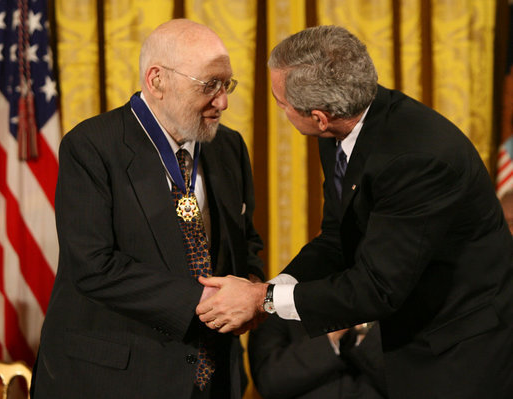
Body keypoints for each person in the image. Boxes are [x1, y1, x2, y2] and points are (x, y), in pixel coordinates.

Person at [196, 25, 513, 398]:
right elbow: (337, 238)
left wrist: (262, 300)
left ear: (318, 117)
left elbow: (377, 287)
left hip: (460, 352)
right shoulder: (343, 129)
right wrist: (270, 291)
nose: (280, 111)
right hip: (409, 339)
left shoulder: (417, 160)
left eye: (280, 104)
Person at [30, 19, 264, 399]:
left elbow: (245, 242)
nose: (222, 101)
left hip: (213, 379)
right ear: (157, 81)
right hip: (113, 379)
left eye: (226, 85)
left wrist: (250, 292)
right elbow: (92, 265)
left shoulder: (229, 147)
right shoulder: (92, 146)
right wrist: (204, 302)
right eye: (209, 85)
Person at [249, 319, 386, 399]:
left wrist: (363, 330)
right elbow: (269, 382)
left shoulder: (387, 297)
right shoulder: (278, 305)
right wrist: (332, 337)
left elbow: (401, 380)